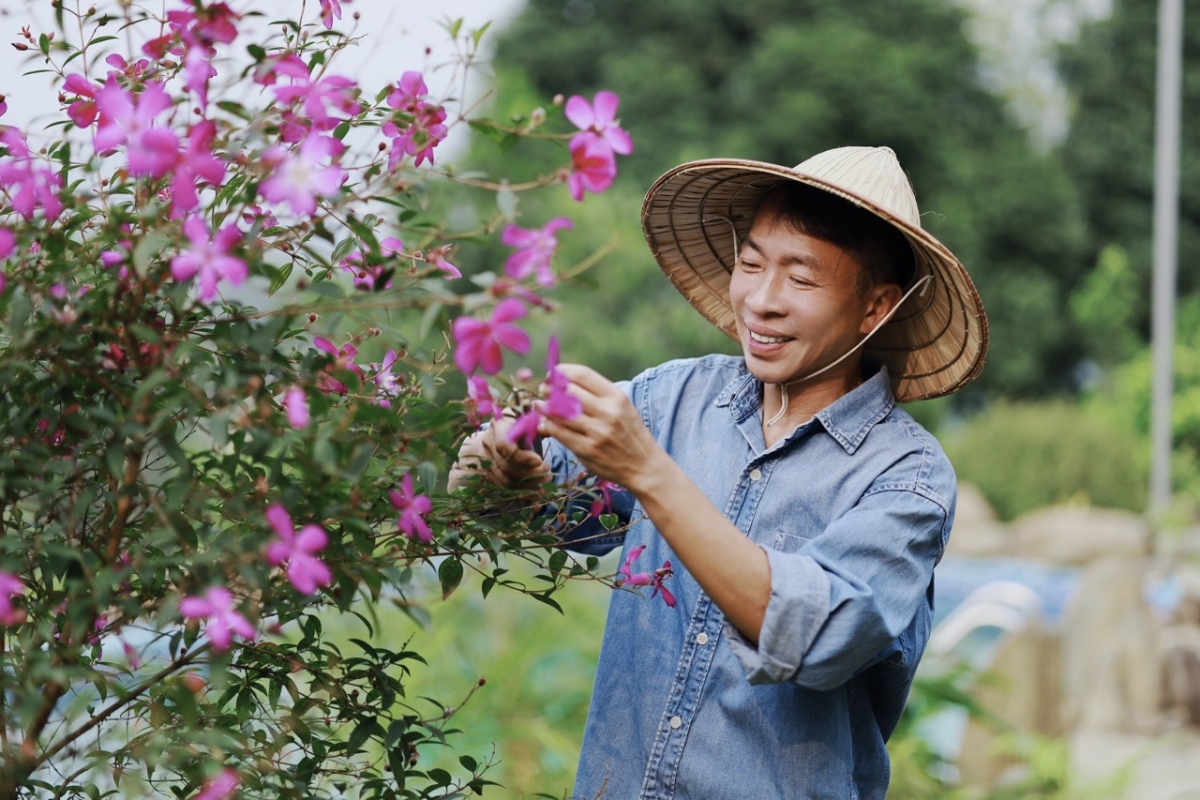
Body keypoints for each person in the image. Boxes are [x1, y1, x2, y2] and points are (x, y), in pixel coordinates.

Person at [450, 145, 987, 799]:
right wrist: (493, 465)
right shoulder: (672, 399)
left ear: (875, 308)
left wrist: (649, 471)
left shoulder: (906, 478)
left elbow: (815, 635)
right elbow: (539, 510)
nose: (761, 301)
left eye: (801, 279)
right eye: (751, 263)